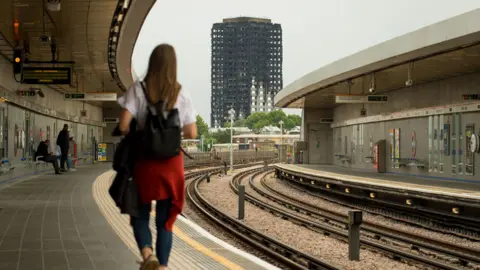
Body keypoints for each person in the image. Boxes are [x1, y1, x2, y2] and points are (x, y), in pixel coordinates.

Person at [118, 44, 197, 270]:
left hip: (144, 163)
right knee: (165, 221)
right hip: (171, 166)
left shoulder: (138, 89)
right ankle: (162, 267)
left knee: (140, 215)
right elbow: (191, 132)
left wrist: (141, 129)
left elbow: (123, 124)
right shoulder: (181, 93)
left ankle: (147, 254)